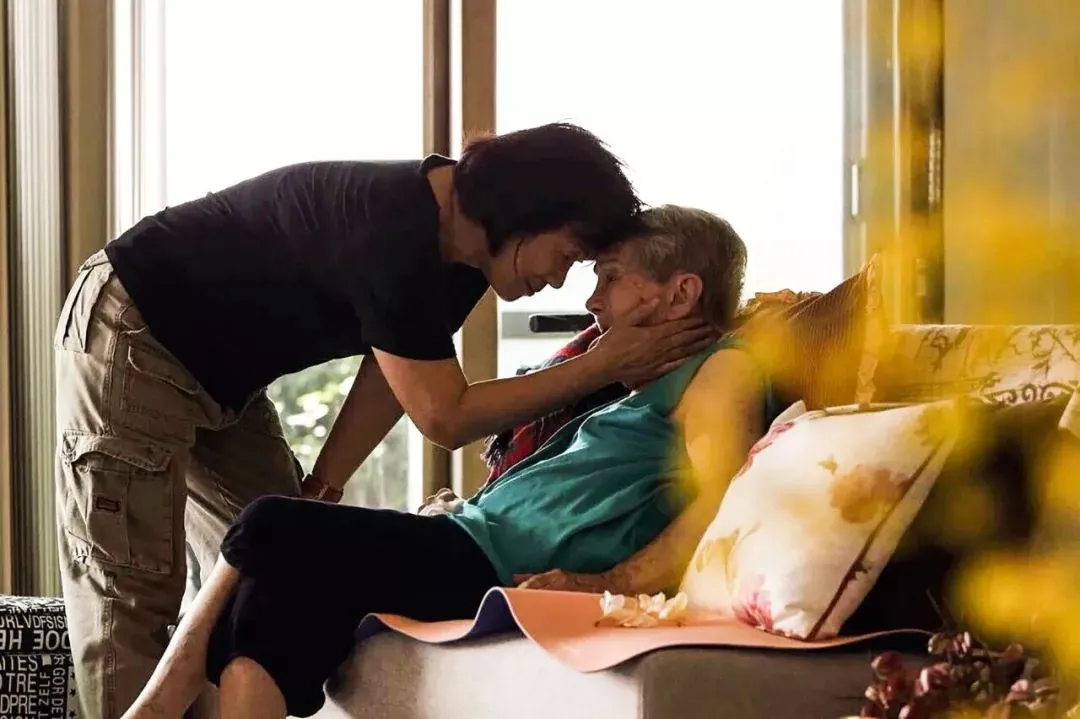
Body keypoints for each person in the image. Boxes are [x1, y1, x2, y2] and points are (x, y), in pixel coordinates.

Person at [53, 123, 717, 719]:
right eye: (568, 256)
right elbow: (443, 415)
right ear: (528, 218)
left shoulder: (462, 259)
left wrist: (325, 484)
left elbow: (390, 373)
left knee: (276, 561)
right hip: (138, 332)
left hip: (227, 380)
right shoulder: (393, 230)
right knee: (133, 589)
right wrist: (602, 364)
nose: (561, 280)